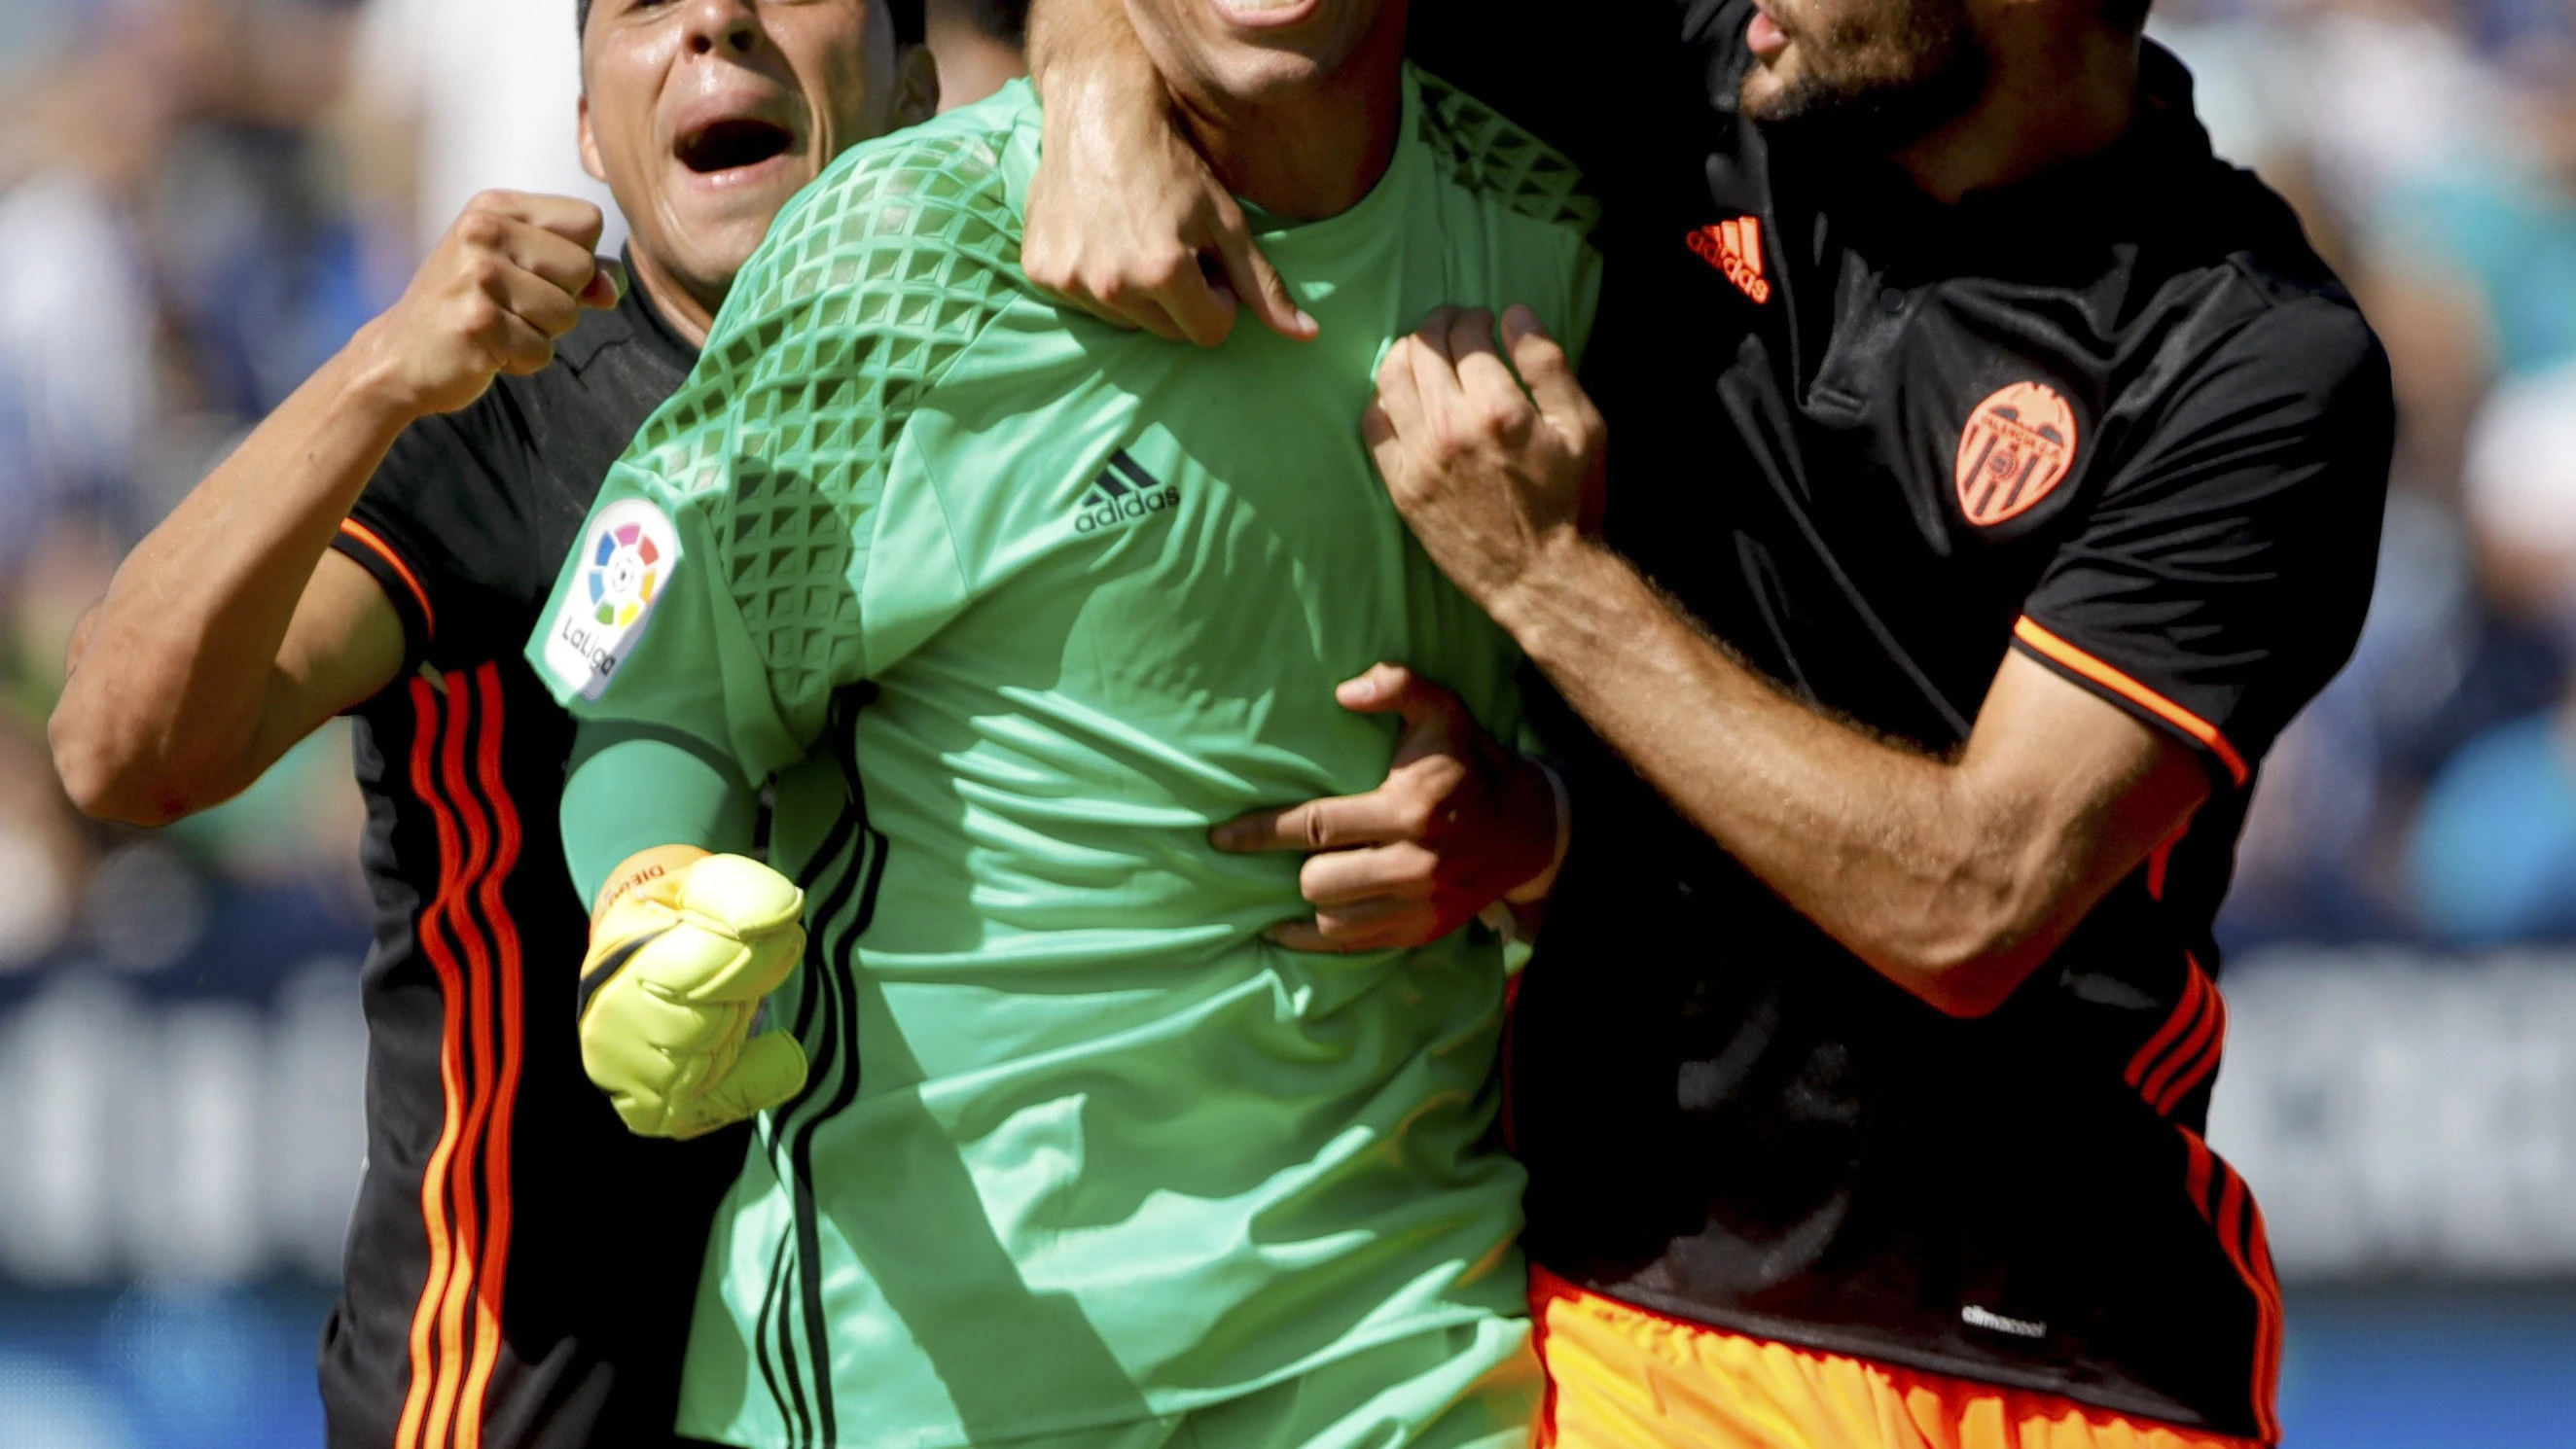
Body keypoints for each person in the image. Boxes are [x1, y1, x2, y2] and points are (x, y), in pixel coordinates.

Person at [1022, 0, 2397, 1444]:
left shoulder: (2259, 357)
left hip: (2070, 1360)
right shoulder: (1690, 73)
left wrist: (1549, 582)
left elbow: (1974, 895)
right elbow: (1258, 17)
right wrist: (1098, 78)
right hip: (1637, 1317)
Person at [521, 0, 1594, 1442]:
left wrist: (1536, 822)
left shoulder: (1562, 230)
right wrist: (645, 893)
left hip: (1401, 1354)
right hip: (927, 1369)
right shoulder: (894, 248)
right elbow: (668, 689)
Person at [49, 1, 939, 1443]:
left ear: (918, 85)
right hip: (527, 1397)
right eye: (647, 1)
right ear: (588, 128)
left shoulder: (1040, 409)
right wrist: (379, 369)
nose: (718, 16)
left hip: (914, 1384)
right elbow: (119, 747)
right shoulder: (498, 423)